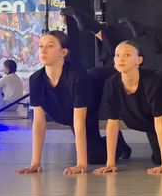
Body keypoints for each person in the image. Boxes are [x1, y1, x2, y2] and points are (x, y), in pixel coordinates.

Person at [15, 31, 131, 175]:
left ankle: (118, 141)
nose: (43, 50)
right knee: (90, 149)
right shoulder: (36, 79)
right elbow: (38, 121)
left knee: (94, 158)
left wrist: (81, 164)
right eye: (40, 46)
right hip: (67, 113)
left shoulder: (77, 77)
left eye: (50, 46)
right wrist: (35, 163)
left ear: (63, 52)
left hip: (90, 105)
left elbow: (79, 122)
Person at [94, 40, 162, 175]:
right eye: (117, 55)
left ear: (139, 60)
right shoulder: (111, 84)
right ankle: (122, 146)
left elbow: (160, 124)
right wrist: (110, 163)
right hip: (132, 119)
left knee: (159, 158)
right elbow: (112, 124)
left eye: (127, 55)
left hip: (153, 122)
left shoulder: (153, 82)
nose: (121, 59)